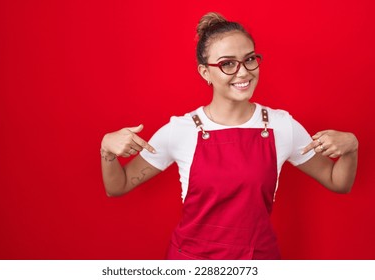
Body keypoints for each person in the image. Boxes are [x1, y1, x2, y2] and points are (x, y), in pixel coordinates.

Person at [100, 12, 358, 260]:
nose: (243, 72)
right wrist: (107, 151)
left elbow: (338, 182)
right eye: (227, 64)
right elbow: (118, 186)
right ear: (205, 72)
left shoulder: (282, 126)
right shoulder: (180, 130)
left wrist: (351, 147)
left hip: (258, 261)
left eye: (249, 59)